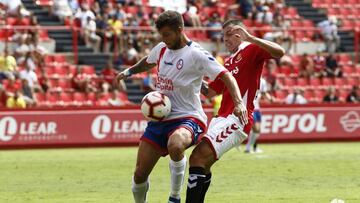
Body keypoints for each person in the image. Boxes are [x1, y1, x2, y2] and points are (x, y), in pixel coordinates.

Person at [115, 11, 247, 203]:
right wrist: (128, 72)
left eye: (167, 34)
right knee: (139, 175)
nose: (164, 39)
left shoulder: (196, 54)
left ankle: (174, 197)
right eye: (162, 35)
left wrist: (238, 103)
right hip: (160, 119)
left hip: (189, 117)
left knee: (176, 145)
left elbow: (227, 76)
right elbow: (148, 62)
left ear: (180, 30)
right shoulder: (161, 48)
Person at [185, 19, 285, 203]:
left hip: (237, 119)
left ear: (241, 32)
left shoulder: (251, 49)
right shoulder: (229, 61)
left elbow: (280, 52)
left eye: (230, 33)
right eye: (223, 36)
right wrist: (192, 75)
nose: (226, 38)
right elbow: (211, 91)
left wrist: (252, 38)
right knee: (203, 164)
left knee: (197, 157)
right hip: (220, 118)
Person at [244, 77, 272, 153]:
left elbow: (263, 92)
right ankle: (248, 147)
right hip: (250, 108)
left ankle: (252, 147)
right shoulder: (249, 78)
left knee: (257, 130)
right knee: (255, 129)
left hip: (257, 109)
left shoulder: (262, 81)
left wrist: (269, 98)